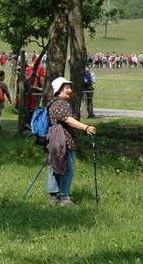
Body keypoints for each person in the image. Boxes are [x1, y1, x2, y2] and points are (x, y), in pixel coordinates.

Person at [46, 77, 97, 206]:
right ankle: (64, 198)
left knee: (55, 166)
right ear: (59, 90)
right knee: (67, 168)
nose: (70, 90)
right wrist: (85, 127)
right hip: (64, 141)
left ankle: (53, 198)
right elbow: (68, 119)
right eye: (67, 88)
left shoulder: (52, 102)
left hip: (54, 140)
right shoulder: (60, 103)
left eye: (69, 87)